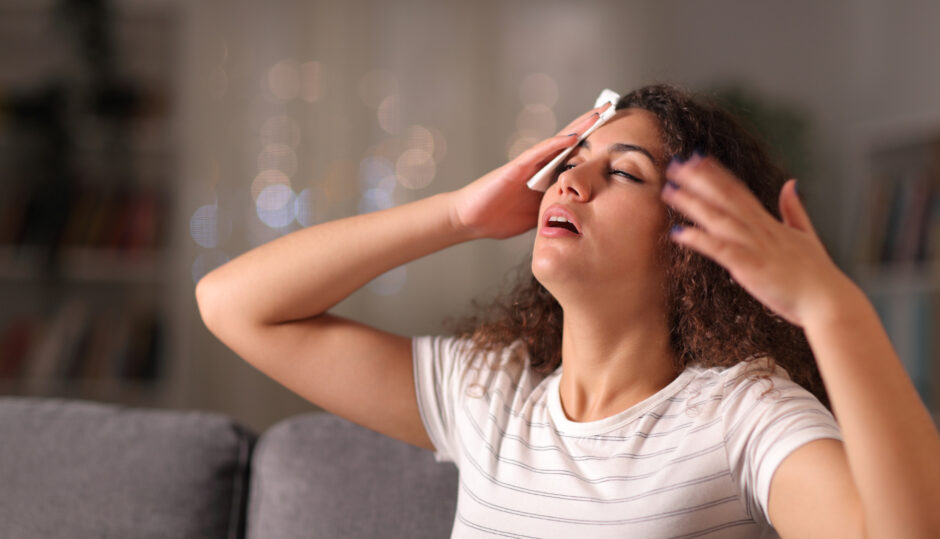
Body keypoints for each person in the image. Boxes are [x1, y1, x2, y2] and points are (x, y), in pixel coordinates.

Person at [195, 83, 940, 538]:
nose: (570, 178)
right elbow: (233, 305)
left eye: (621, 171)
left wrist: (833, 308)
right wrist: (458, 213)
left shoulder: (741, 413)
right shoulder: (489, 392)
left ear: (694, 241)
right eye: (567, 159)